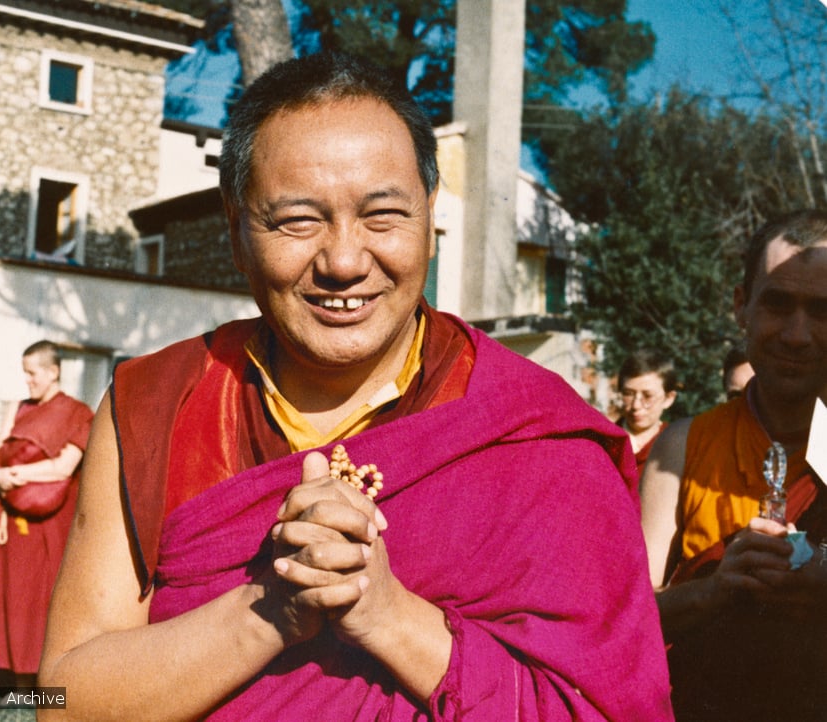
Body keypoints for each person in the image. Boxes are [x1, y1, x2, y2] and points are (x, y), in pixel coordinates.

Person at [39, 52, 672, 720]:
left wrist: (388, 614)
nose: (343, 261)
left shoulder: (537, 433)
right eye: (297, 221)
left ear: (429, 217)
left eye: (382, 216)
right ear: (236, 233)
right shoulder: (158, 406)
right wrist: (271, 609)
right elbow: (64, 703)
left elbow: (603, 708)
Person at [639, 209, 827, 721]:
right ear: (741, 307)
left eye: (821, 310)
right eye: (777, 303)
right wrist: (716, 588)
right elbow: (628, 618)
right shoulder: (682, 448)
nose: (796, 334)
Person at [0, 340, 93, 688]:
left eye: (32, 373)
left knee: (36, 597)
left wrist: (18, 475)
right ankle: (3, 673)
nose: (28, 381)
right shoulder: (16, 408)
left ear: (53, 372)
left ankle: (36, 680)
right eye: (24, 373)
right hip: (7, 515)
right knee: (2, 592)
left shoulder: (77, 412)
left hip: (46, 523)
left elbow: (63, 467)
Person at [615, 349, 677, 474]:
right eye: (628, 394)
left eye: (648, 396)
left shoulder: (676, 447)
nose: (636, 405)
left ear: (668, 399)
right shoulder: (605, 443)